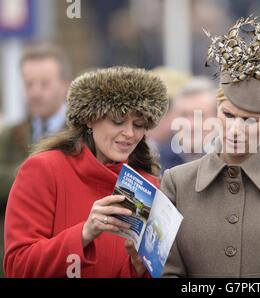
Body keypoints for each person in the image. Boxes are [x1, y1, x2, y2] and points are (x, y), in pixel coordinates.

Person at [161, 16, 260, 278]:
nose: (236, 129)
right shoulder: (177, 182)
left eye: (250, 120)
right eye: (228, 116)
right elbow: (170, 272)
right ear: (216, 112)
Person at [3, 67, 168, 277]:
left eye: (138, 125)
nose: (129, 133)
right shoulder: (44, 169)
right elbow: (18, 266)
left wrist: (139, 266)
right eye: (118, 121)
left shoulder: (148, 185)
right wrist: (83, 234)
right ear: (90, 118)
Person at [0, 43, 72, 277]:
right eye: (29, 84)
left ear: (65, 84)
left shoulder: (79, 134)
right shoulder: (11, 135)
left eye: (44, 84)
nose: (35, 92)